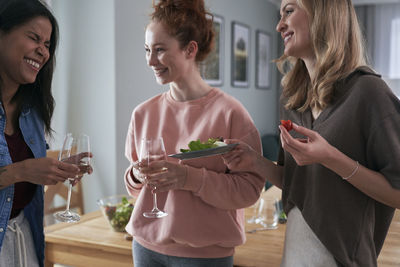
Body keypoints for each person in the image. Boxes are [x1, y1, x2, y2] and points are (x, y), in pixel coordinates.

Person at [222, 0, 400, 266]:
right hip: (294, 256)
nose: (279, 24)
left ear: (323, 14)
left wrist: (331, 158)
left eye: (289, 11)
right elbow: (298, 182)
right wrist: (255, 162)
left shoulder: (369, 93)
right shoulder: (294, 99)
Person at [124, 0, 264, 266]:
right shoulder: (142, 114)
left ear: (190, 49)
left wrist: (190, 178)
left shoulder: (230, 113)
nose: (151, 61)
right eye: (147, 50)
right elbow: (134, 186)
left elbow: (249, 190)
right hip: (145, 248)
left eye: (160, 50)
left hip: (205, 256)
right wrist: (136, 174)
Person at [0, 1, 91, 266]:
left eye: (48, 44)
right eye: (33, 38)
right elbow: (22, 169)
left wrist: (57, 170)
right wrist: (23, 171)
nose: (42, 51)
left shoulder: (32, 109)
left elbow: (28, 175)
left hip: (24, 237)